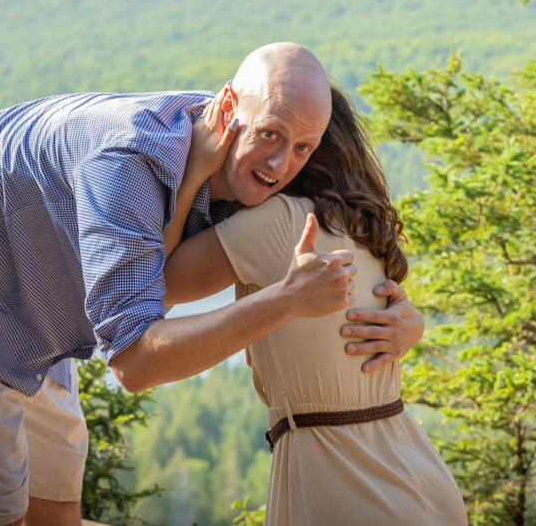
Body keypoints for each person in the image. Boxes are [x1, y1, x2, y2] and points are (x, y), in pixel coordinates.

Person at [0, 42, 425, 526]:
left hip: (30, 304)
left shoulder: (234, 149)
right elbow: (135, 362)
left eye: (302, 147)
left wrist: (406, 316)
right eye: (270, 135)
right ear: (230, 106)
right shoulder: (127, 165)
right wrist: (286, 301)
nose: (282, 165)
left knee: (55, 494)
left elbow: (154, 276)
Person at [163, 85, 468, 525]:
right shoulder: (366, 228)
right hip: (420, 473)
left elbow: (154, 283)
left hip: (341, 481)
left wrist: (193, 173)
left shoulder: (277, 224)